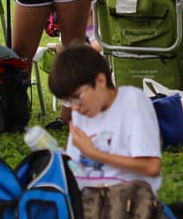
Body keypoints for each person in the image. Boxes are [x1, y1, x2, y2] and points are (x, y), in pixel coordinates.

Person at [47, 45, 162, 190]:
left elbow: (152, 167)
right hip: (89, 196)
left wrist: (94, 154)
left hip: (127, 198)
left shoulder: (132, 101)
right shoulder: (81, 111)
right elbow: (74, 165)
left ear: (100, 81)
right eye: (68, 101)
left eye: (76, 97)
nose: (74, 107)